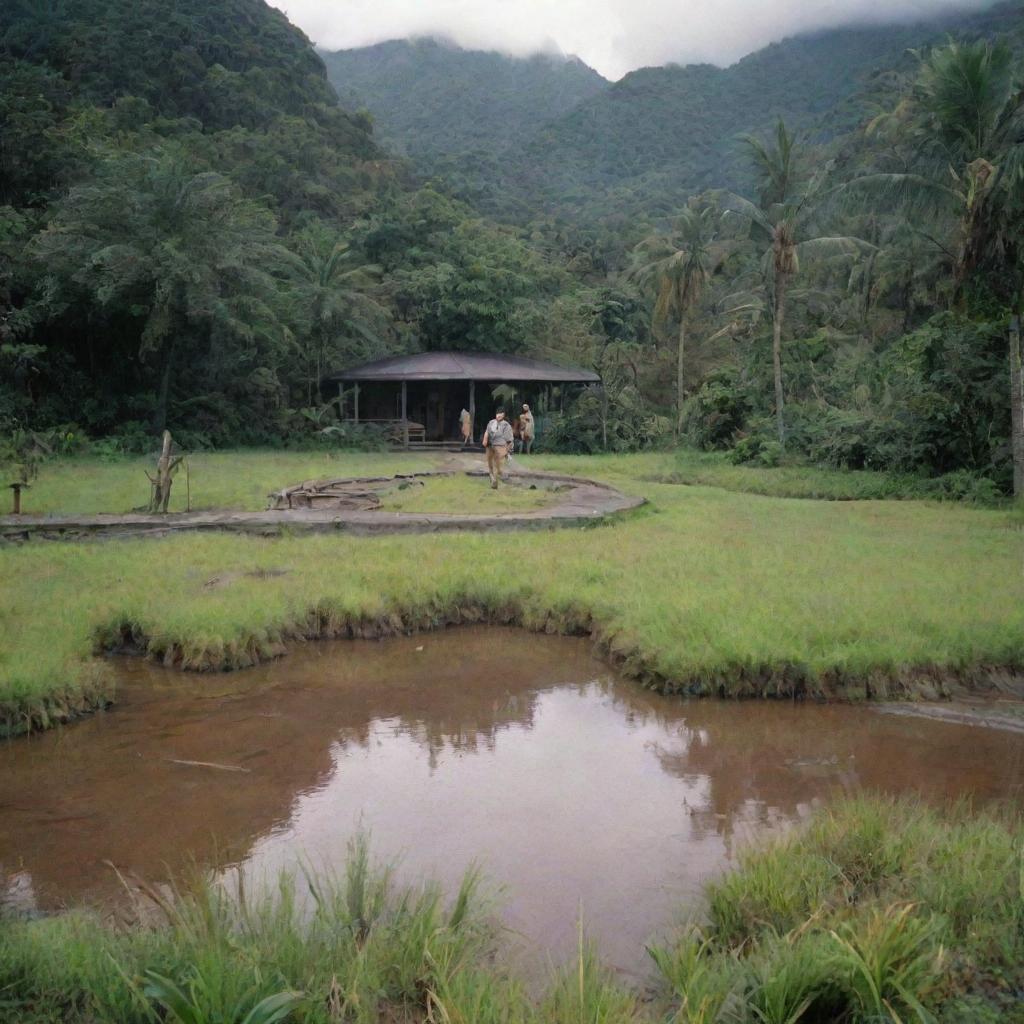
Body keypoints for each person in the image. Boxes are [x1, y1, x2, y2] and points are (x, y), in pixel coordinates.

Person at [481, 407, 514, 489]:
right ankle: (493, 480)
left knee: (498, 466)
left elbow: (509, 440)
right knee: (490, 464)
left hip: (501, 446)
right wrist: (485, 439)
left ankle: (498, 479)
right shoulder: (491, 422)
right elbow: (487, 431)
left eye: (501, 413)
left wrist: (508, 451)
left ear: (503, 415)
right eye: (498, 413)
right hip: (490, 446)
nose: (499, 415)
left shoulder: (506, 425)